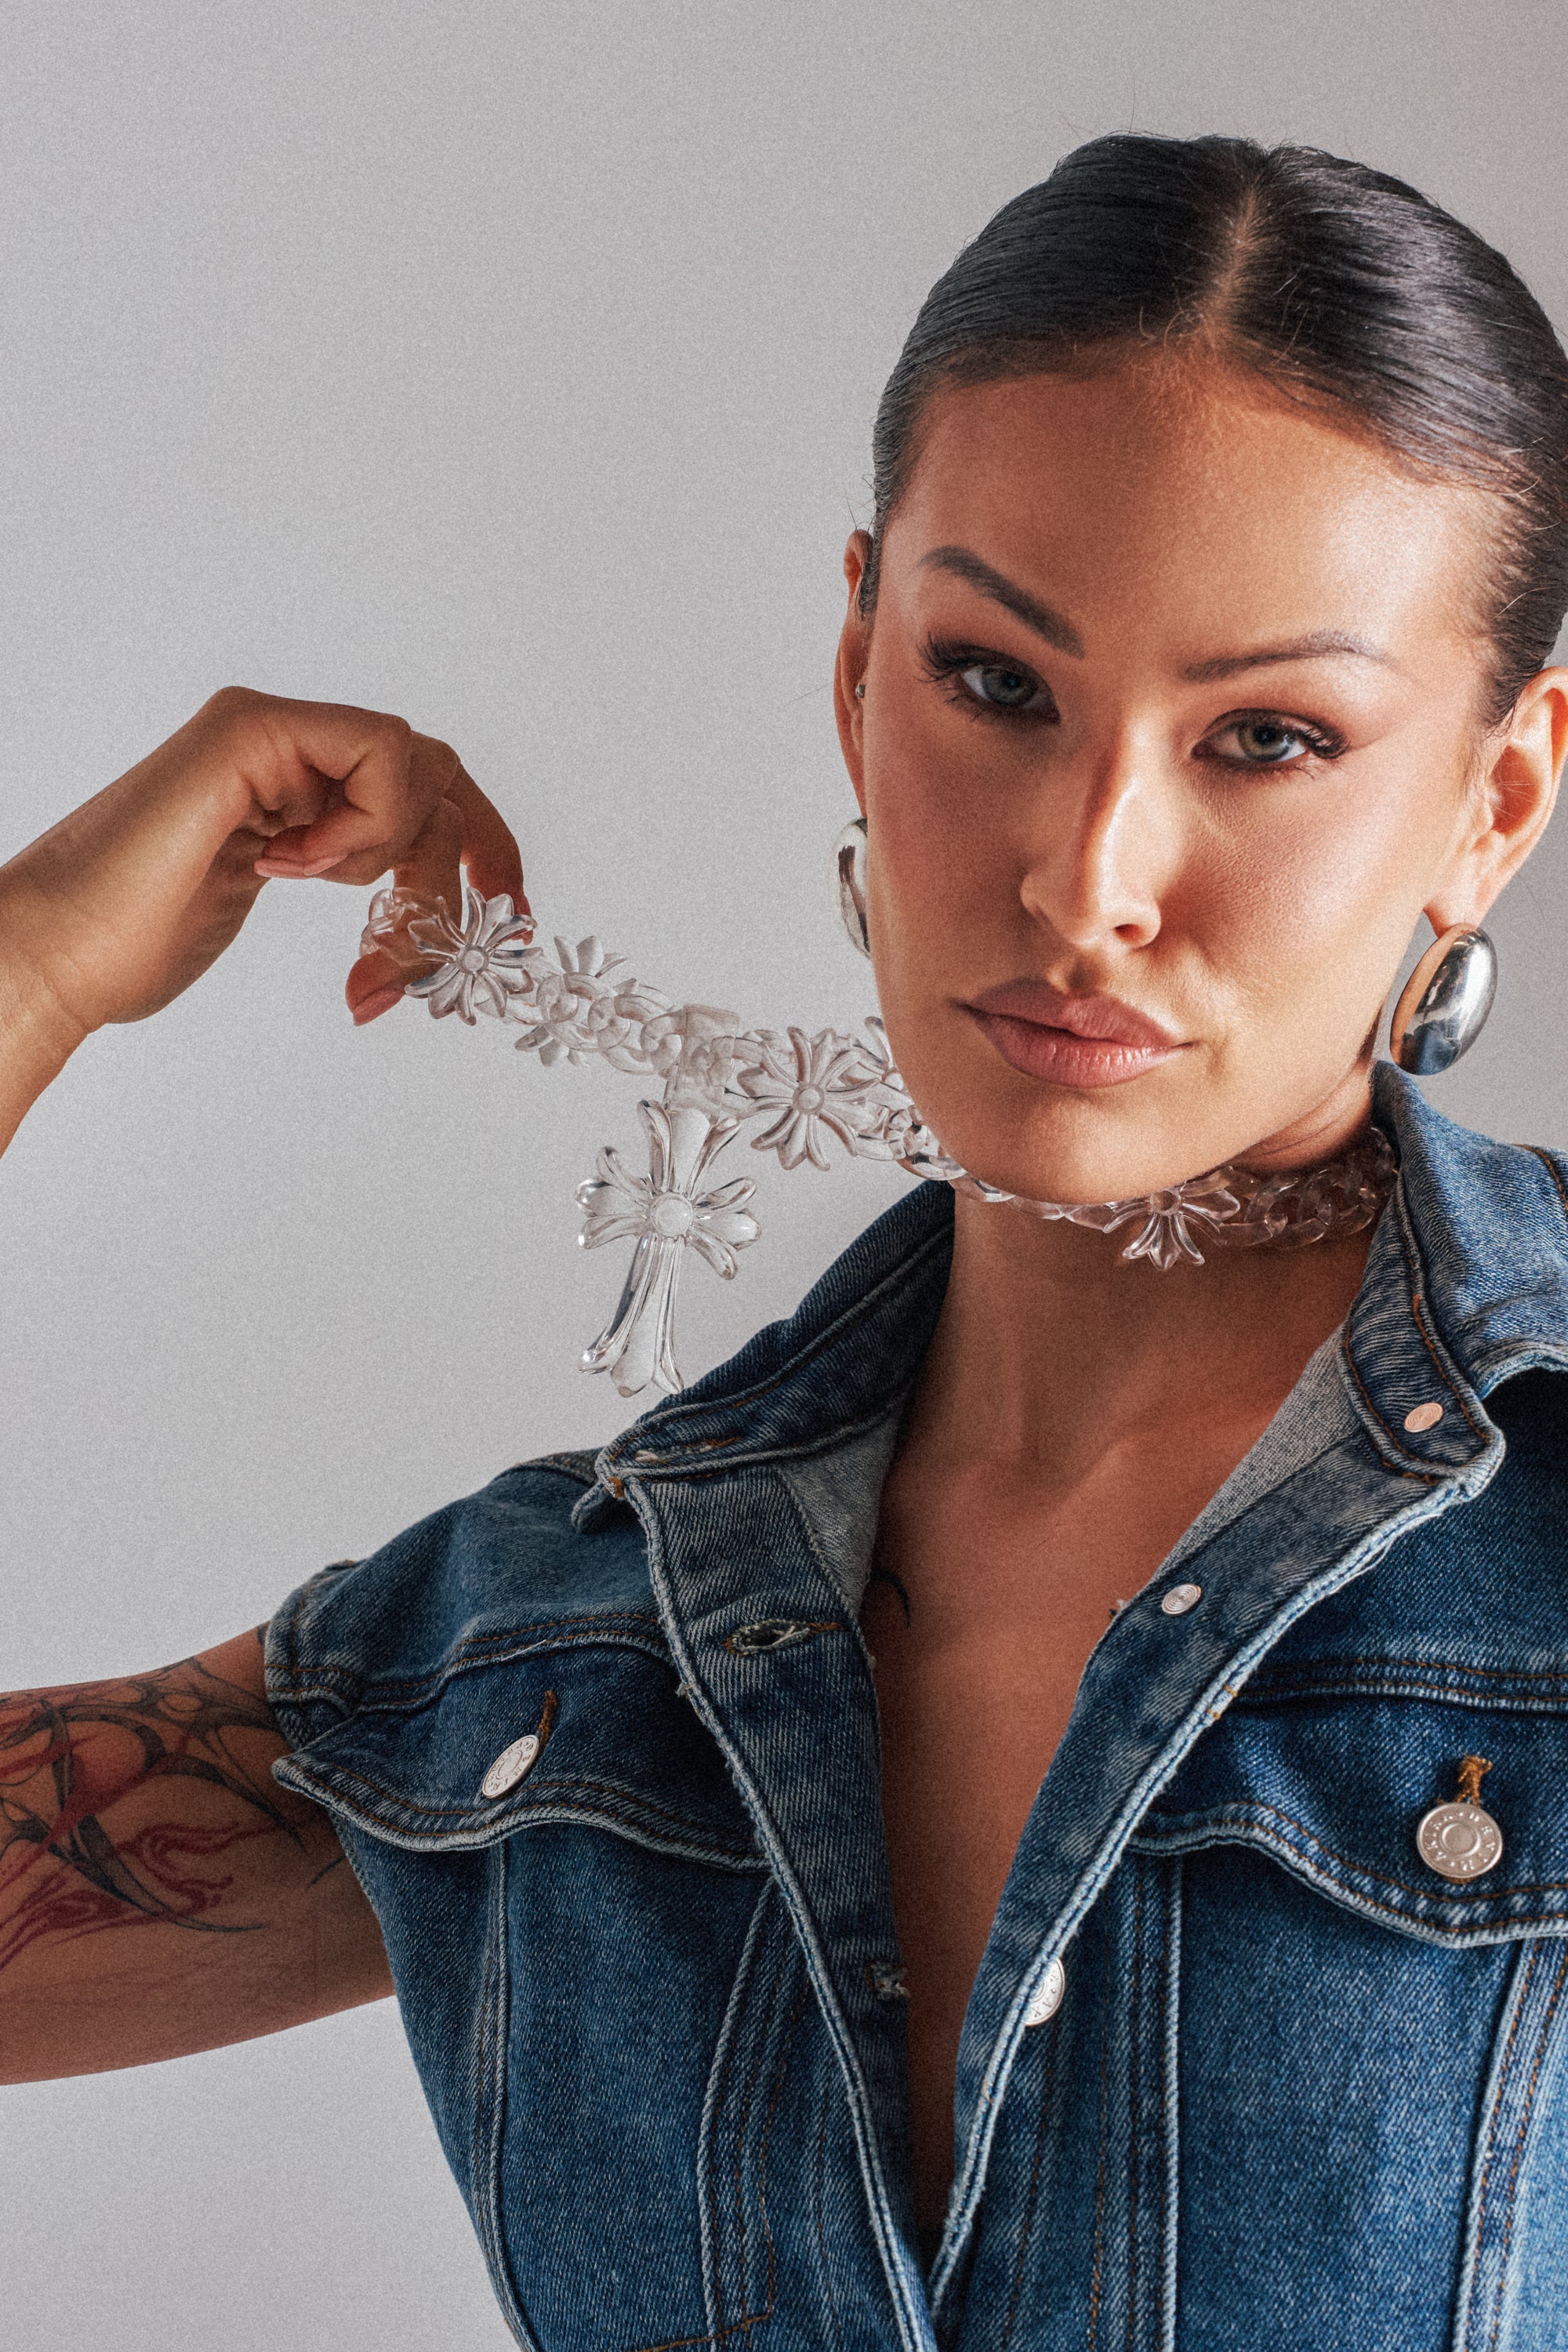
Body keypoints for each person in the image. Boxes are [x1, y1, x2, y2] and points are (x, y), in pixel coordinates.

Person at [5, 131, 1568, 2350]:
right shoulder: (540, 1653)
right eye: (998, 685)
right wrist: (42, 959)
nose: (1085, 874)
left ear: (1491, 807)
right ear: (859, 671)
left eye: (1271, 739)